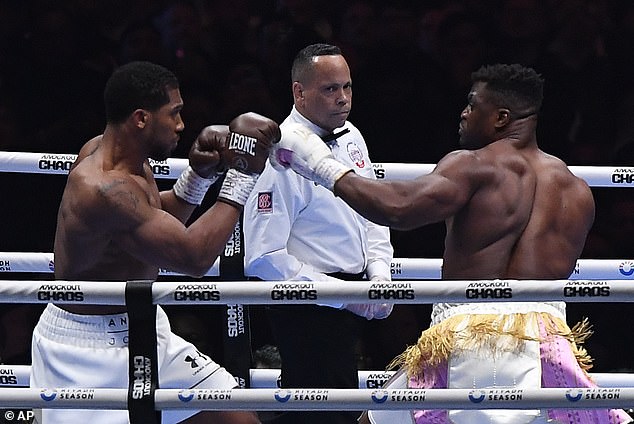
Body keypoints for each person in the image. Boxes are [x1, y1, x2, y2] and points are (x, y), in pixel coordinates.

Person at [270, 63, 632, 423]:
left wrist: (319, 162)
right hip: (547, 348)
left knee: (371, 420)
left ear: (501, 118)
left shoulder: (472, 166)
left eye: (473, 105)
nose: (463, 113)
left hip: (466, 336)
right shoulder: (577, 191)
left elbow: (397, 209)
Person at [30, 60, 280, 424]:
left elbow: (152, 222)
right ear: (141, 119)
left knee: (237, 417)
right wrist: (242, 176)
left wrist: (199, 176)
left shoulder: (125, 162)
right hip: (85, 350)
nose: (182, 125)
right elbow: (193, 257)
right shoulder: (103, 188)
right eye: (174, 113)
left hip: (142, 323)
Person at [243, 43, 394, 424]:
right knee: (322, 413)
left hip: (355, 294)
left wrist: (380, 274)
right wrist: (342, 296)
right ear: (299, 92)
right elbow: (262, 256)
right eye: (330, 89)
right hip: (309, 306)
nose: (343, 99)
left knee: (360, 407)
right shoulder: (279, 158)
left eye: (347, 87)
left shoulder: (351, 135)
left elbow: (372, 210)